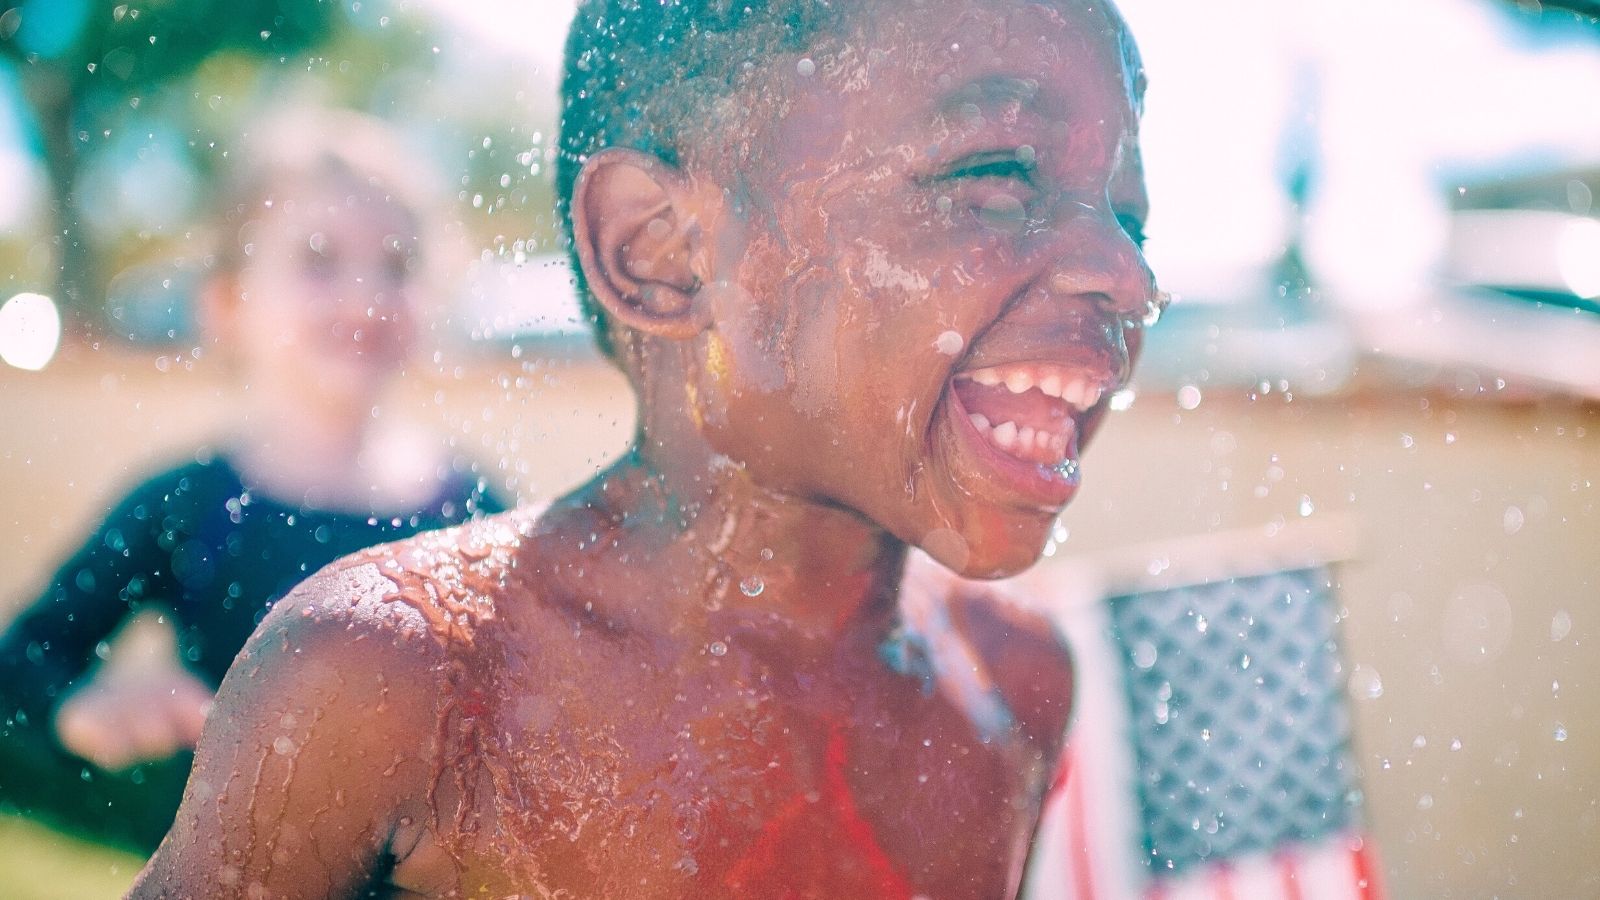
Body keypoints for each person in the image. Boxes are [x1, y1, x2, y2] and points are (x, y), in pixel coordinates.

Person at [132, 0, 1161, 895]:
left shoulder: (1014, 683)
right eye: (995, 176)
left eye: (1129, 219)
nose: (1126, 276)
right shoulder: (402, 683)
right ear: (659, 251)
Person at [0, 106, 501, 853]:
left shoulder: (473, 513)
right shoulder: (188, 507)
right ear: (229, 304)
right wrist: (81, 710)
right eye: (319, 259)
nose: (364, 296)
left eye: (395, 265)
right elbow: (19, 670)